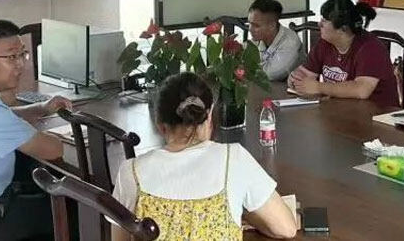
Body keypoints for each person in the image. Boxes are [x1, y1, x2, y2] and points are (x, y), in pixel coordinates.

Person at [111, 72, 297, 241]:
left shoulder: (130, 172)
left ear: (159, 124)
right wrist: (246, 212)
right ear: (209, 116)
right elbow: (286, 228)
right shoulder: (233, 159)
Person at [0, 19, 72, 241]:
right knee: (77, 210)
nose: (21, 64)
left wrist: (40, 108)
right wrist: (63, 133)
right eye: (12, 57)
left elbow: (3, 117)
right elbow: (53, 150)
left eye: (23, 55)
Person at [288, 0, 399, 107]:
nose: (319, 24)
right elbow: (305, 73)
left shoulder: (371, 48)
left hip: (378, 113)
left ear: (343, 29)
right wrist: (295, 79)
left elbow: (361, 90)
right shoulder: (324, 43)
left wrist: (318, 87)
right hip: (341, 110)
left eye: (325, 21)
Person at [248, 0, 305, 81]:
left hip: (288, 87)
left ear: (272, 26)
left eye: (256, 26)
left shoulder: (290, 42)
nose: (250, 29)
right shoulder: (259, 38)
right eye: (250, 23)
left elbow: (269, 75)